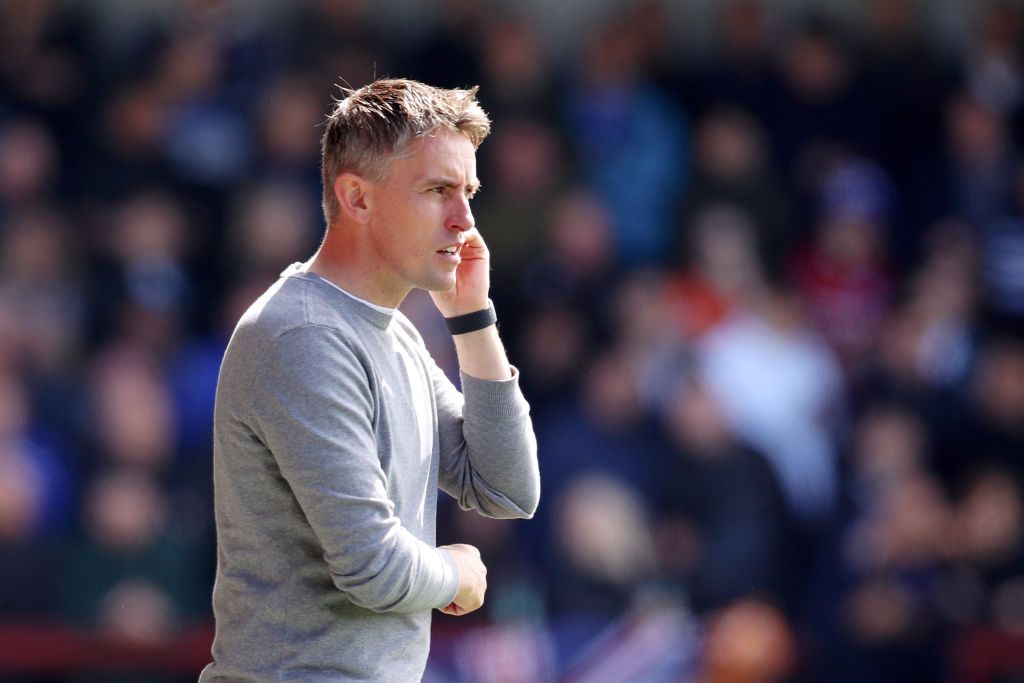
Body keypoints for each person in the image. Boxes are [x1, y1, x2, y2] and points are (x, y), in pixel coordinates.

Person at [199, 79, 541, 682]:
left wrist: (471, 318)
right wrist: (456, 572)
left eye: (469, 192)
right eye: (439, 191)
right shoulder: (302, 335)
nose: (465, 220)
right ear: (356, 198)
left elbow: (507, 488)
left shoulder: (393, 332)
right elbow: (373, 568)